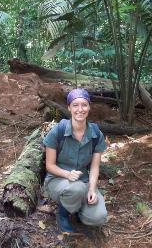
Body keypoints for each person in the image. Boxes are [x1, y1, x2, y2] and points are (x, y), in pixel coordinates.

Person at [43, 88, 107, 235]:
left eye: (84, 105)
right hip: (58, 180)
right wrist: (67, 174)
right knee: (75, 189)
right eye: (75, 105)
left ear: (89, 107)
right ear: (69, 107)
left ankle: (78, 209)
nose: (80, 109)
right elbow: (49, 165)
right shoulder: (58, 131)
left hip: (83, 182)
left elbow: (95, 167)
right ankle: (63, 214)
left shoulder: (96, 134)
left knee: (98, 217)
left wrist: (91, 189)